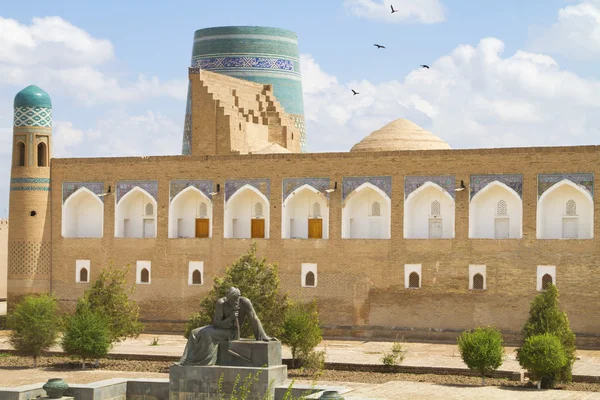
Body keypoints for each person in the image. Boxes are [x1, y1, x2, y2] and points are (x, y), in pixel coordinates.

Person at [177, 287, 273, 366]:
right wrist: (230, 318)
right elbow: (216, 323)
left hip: (232, 332)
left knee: (207, 333)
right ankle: (184, 360)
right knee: (194, 332)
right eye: (230, 300)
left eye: (235, 300)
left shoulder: (245, 302)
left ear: (238, 297)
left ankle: (203, 362)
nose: (233, 302)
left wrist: (262, 336)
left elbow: (254, 318)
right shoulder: (221, 303)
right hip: (220, 328)